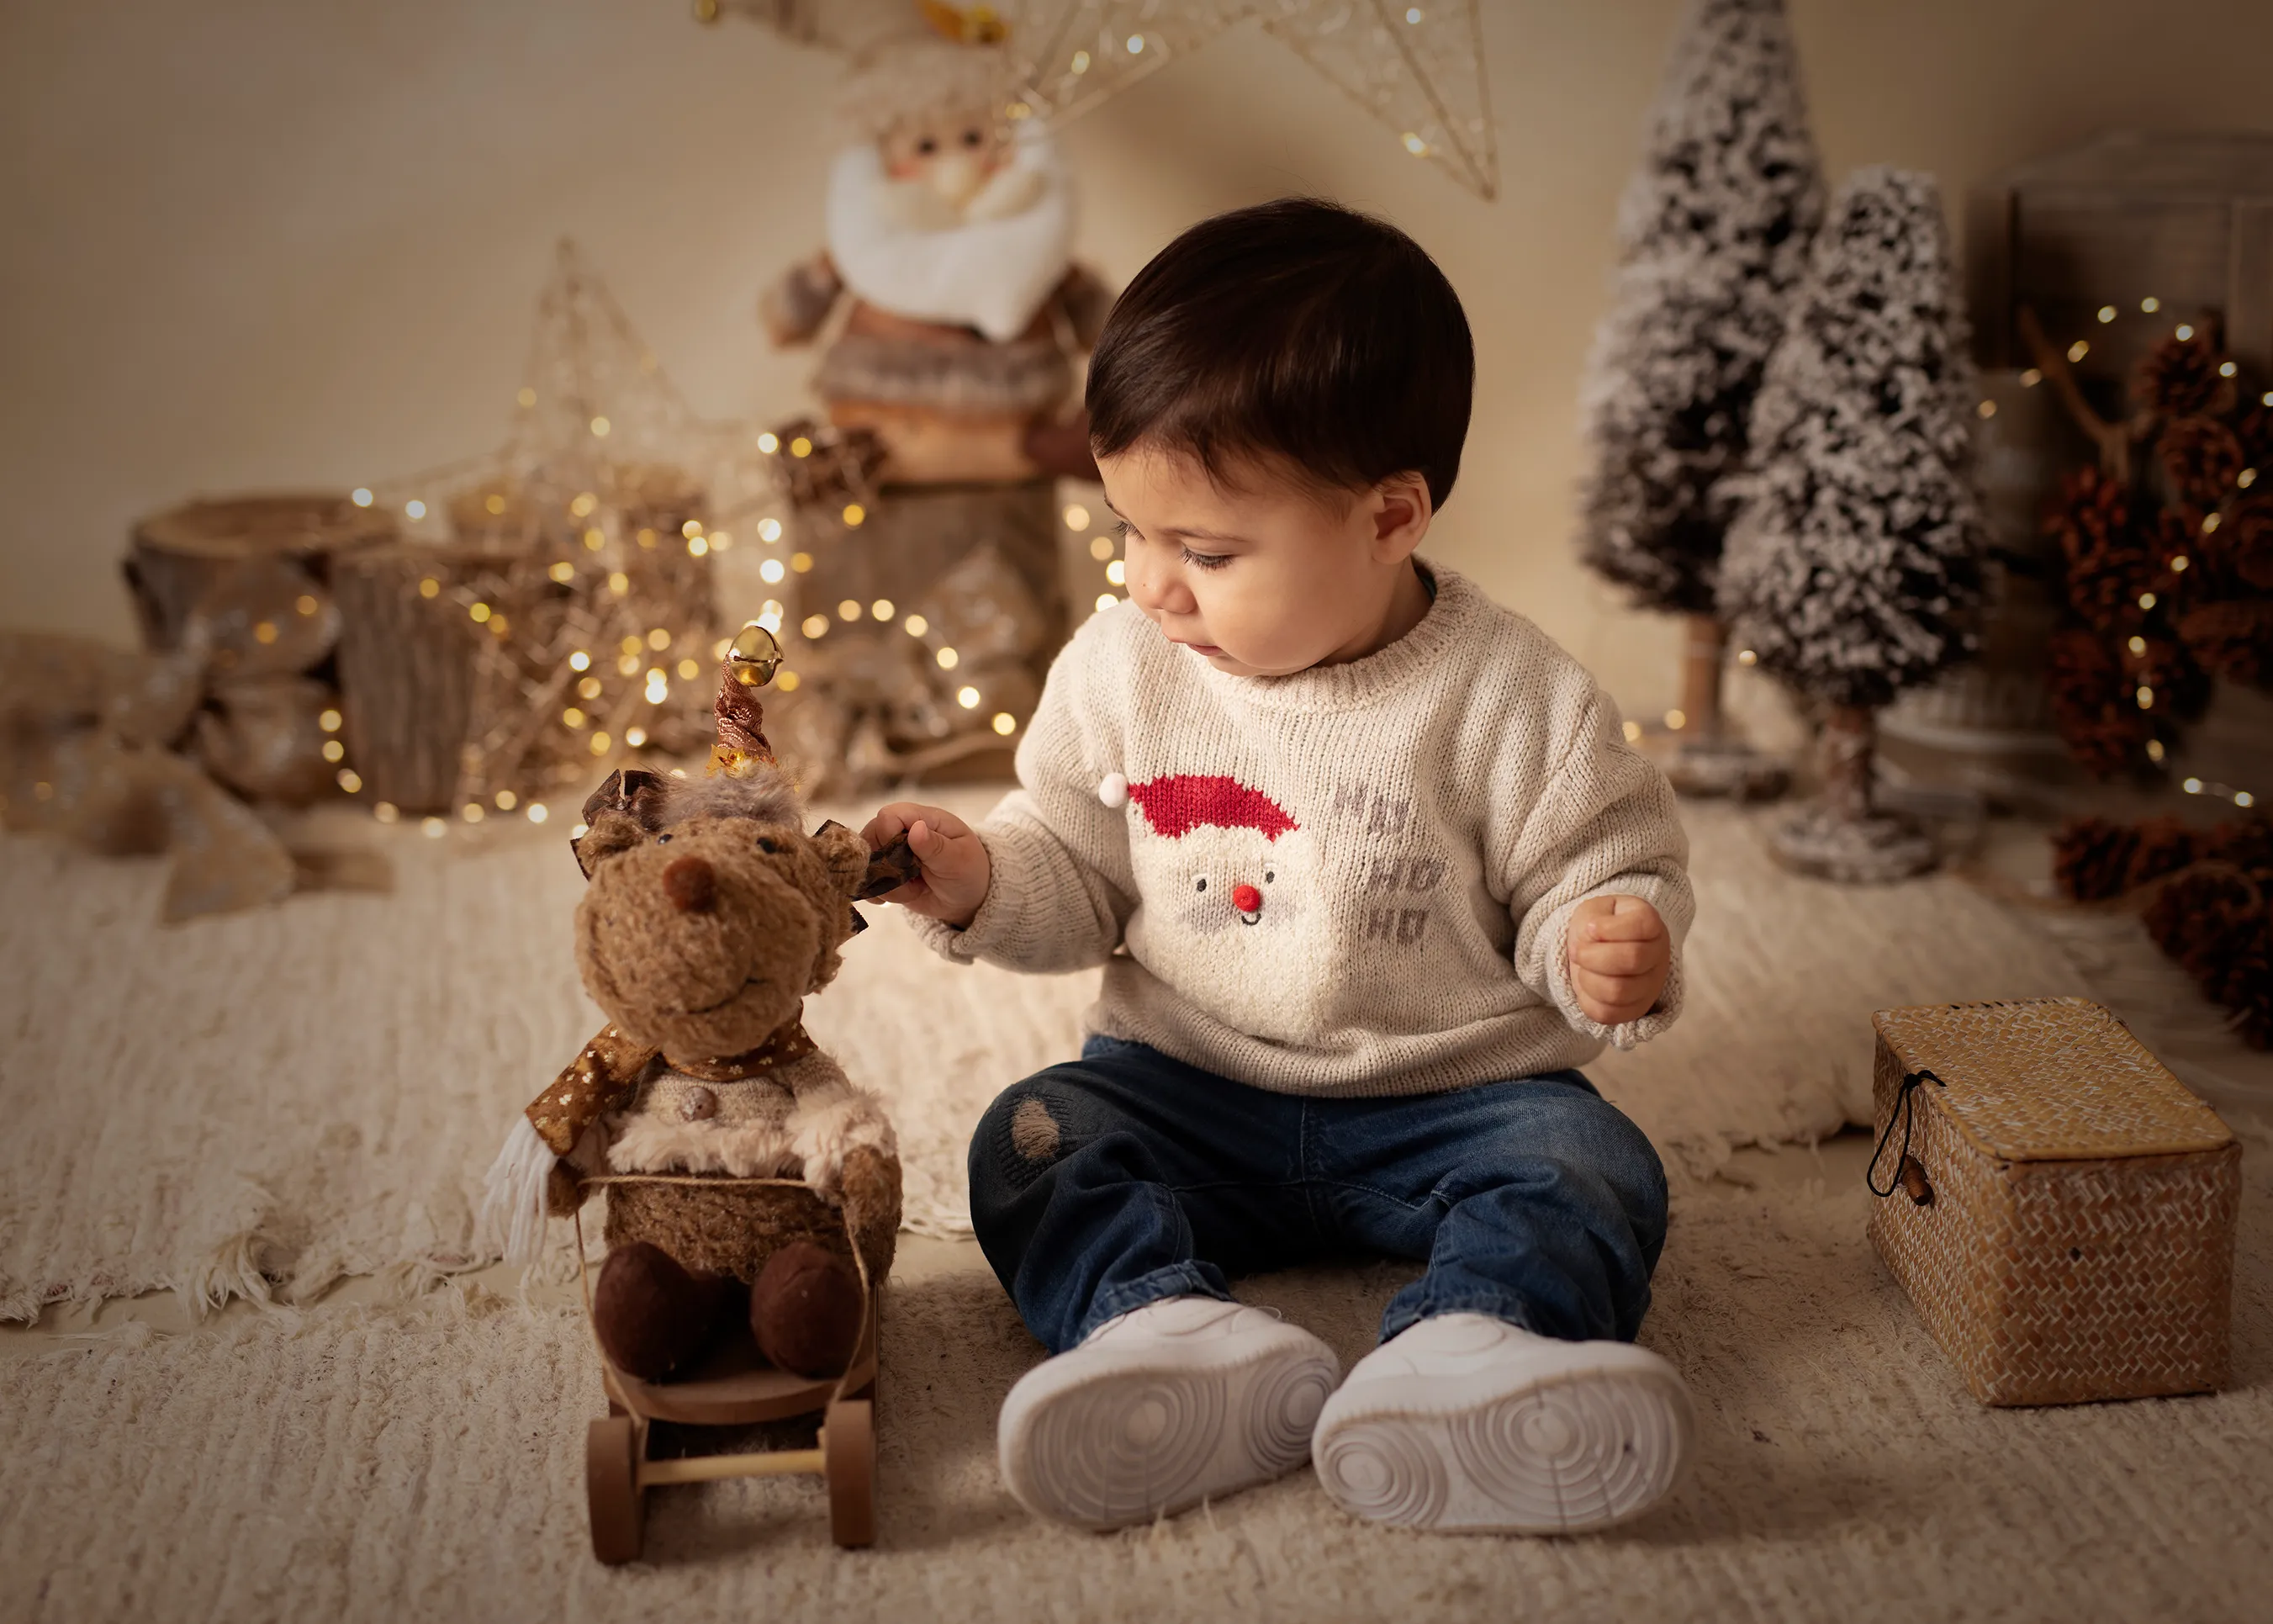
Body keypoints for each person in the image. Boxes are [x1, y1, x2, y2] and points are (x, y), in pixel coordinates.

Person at [862, 198, 1694, 1536]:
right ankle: (1163, 1336)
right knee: (1030, 1142)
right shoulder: (1124, 667)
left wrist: (1608, 935)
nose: (1151, 585)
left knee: (1594, 1168)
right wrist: (974, 882)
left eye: (1203, 551)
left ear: (1387, 517)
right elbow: (1074, 866)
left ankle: (1469, 1353)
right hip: (1187, 1081)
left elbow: (1594, 865)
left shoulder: (1510, 693)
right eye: (1127, 533)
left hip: (1455, 1095)